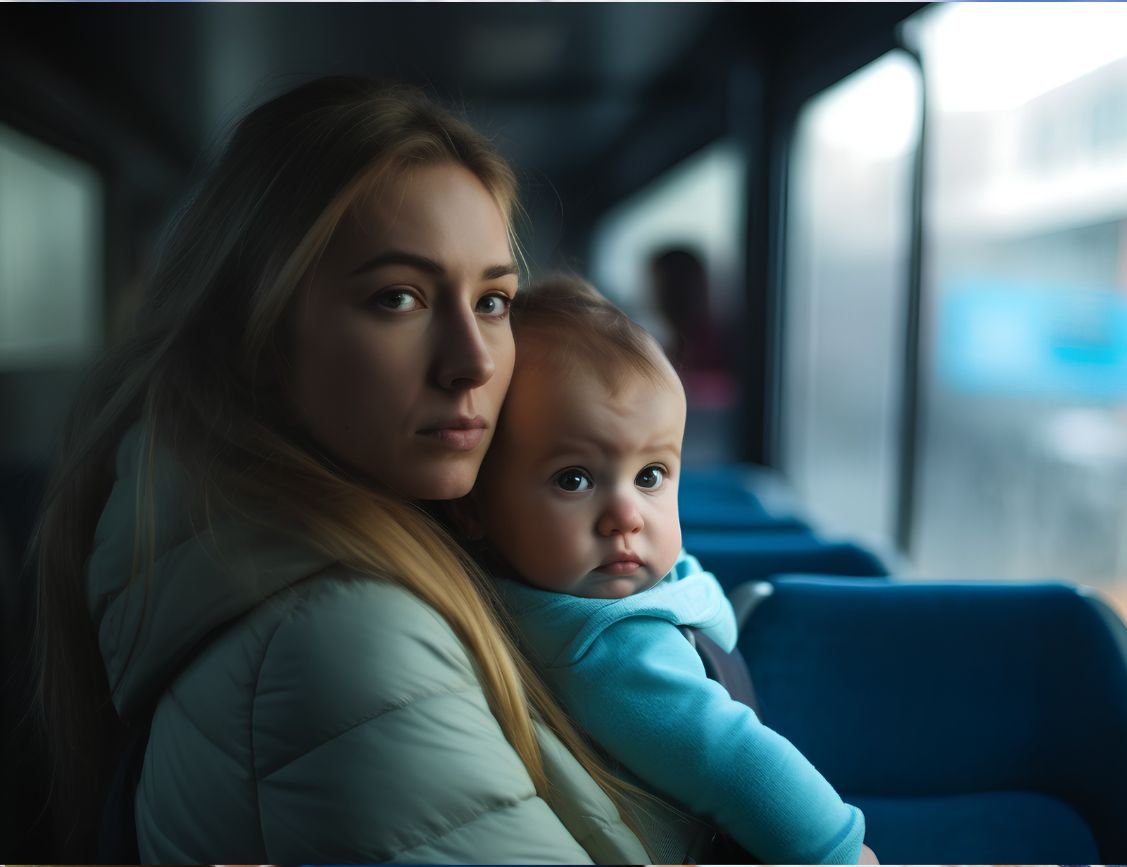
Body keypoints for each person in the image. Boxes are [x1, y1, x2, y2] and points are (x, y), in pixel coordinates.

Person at [28, 77, 668, 863]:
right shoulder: (344, 642)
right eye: (398, 298)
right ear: (257, 337)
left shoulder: (244, 542)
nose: (471, 361)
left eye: (494, 301)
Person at [465, 276, 877, 865]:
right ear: (476, 506)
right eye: (573, 479)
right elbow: (732, 760)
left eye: (651, 475)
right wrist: (840, 850)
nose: (625, 517)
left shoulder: (597, 589)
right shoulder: (608, 646)